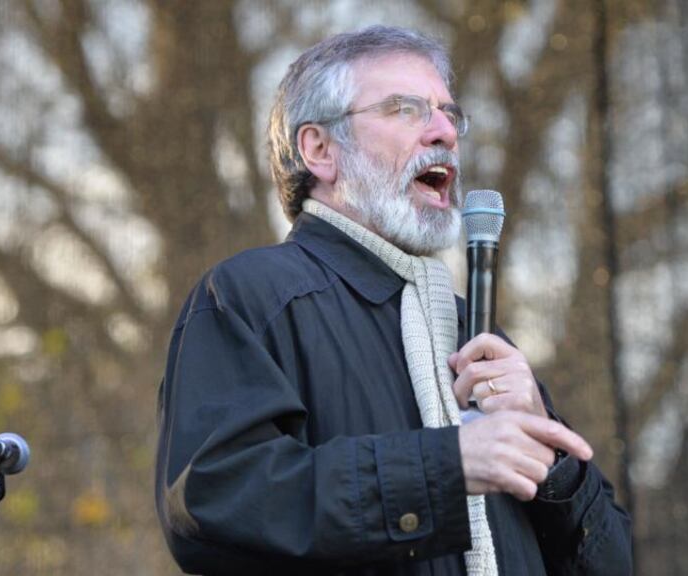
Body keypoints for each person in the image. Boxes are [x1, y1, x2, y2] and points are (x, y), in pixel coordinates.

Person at [155, 25, 632, 576]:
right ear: (320, 150)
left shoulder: (474, 332)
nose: (444, 132)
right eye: (405, 109)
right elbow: (211, 501)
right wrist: (448, 467)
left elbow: (613, 561)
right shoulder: (252, 297)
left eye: (449, 113)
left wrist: (550, 457)